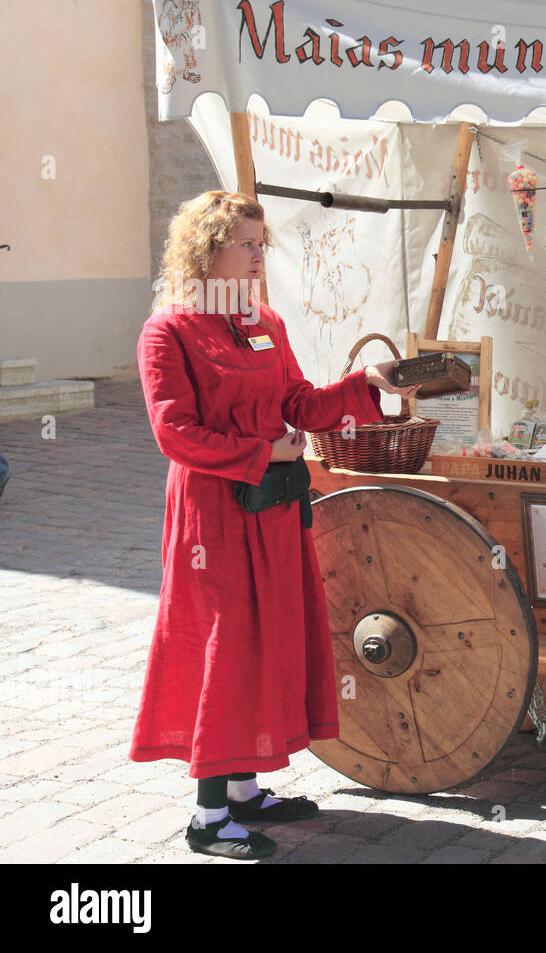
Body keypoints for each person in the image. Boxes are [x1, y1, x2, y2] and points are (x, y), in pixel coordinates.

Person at [132, 191, 420, 859]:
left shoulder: (265, 321)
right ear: (208, 250)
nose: (261, 258)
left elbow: (297, 401)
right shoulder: (169, 330)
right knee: (225, 647)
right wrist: (260, 452)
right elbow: (174, 431)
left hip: (275, 511)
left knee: (269, 640)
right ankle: (209, 818)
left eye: (263, 245)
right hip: (214, 520)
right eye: (248, 245)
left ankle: (243, 792)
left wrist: (367, 383)